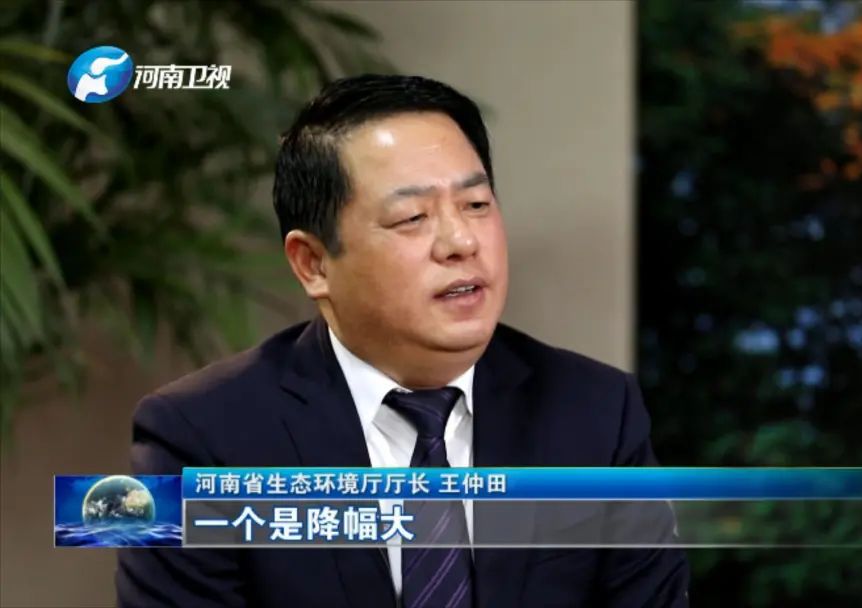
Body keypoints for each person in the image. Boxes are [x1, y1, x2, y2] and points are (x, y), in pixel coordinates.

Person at [116, 74, 689, 608]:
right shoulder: (201, 437)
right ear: (313, 263)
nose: (461, 241)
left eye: (476, 205)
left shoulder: (596, 411)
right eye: (412, 217)